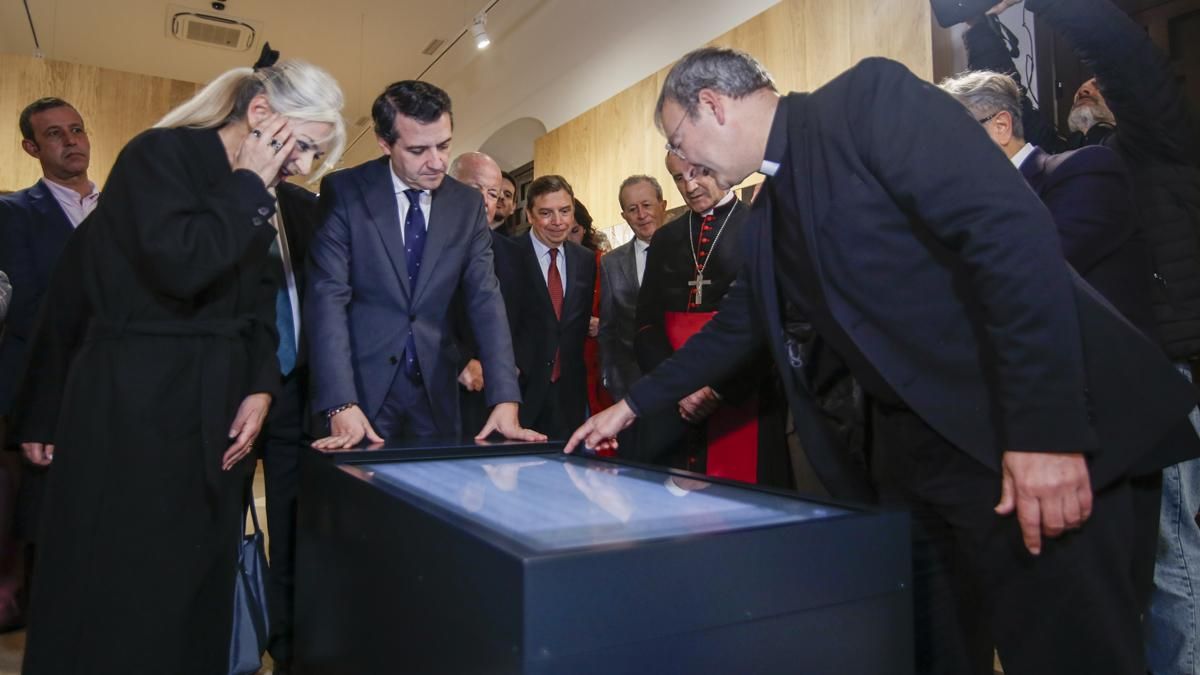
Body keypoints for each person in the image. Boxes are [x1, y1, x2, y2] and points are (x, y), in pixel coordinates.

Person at [567, 47, 1200, 675]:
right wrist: (631, 405)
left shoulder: (868, 102)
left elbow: (1009, 238)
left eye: (678, 140)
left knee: (1067, 652)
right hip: (916, 460)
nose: (683, 162)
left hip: (1024, 440)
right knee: (931, 648)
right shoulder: (770, 208)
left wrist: (1046, 432)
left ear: (712, 104)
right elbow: (741, 325)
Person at [6, 59, 346, 674]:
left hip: (213, 411)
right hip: (133, 405)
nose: (303, 166)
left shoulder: (259, 190)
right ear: (262, 115)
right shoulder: (159, 156)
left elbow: (260, 308)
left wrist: (261, 389)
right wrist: (247, 187)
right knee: (127, 582)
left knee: (197, 584)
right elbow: (180, 266)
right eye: (304, 147)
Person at [959, 2, 1200, 671]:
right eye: (1081, 87)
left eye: (1100, 87)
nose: (1088, 89)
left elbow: (1127, 62)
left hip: (1164, 370)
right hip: (1110, 381)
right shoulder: (1064, 166)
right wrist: (984, 22)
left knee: (1173, 559)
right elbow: (1007, 113)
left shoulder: (1156, 144)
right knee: (1131, 566)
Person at [306, 80, 542, 448]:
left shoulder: (465, 205)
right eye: (418, 150)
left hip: (437, 390)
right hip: (362, 392)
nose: (437, 162)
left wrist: (504, 396)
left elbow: (486, 299)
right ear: (385, 144)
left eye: (444, 145)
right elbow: (327, 297)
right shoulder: (347, 192)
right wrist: (340, 401)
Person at [939, 70, 1154, 337]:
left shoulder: (1086, 170)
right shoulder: (968, 208)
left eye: (948, 138)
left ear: (1001, 127)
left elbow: (1033, 272)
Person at [0, 96, 98, 633]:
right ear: (32, 148)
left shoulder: (122, 209)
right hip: (41, 395)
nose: (71, 141)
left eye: (77, 129)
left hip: (116, 392)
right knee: (43, 526)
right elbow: (23, 308)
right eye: (55, 134)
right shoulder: (12, 213)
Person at [632, 152, 789, 485]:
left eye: (698, 172)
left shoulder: (760, 227)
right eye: (678, 177)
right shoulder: (665, 239)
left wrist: (717, 389)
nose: (689, 186)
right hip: (675, 398)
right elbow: (646, 324)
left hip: (744, 391)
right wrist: (677, 385)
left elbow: (773, 324)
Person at [510, 176, 596, 438]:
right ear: (530, 215)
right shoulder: (506, 254)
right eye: (546, 213)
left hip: (569, 393)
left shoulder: (585, 260)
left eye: (565, 211)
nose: (558, 222)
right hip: (519, 390)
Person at [447, 151, 524, 438]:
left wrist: (503, 369)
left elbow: (519, 317)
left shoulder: (512, 254)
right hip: (437, 386)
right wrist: (460, 360)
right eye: (473, 188)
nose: (484, 200)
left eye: (492, 193)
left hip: (492, 395)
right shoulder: (420, 243)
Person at [598, 175, 667, 403]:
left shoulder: (689, 251)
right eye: (632, 209)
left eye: (647, 205)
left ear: (662, 205)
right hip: (632, 388)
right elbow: (608, 329)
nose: (641, 214)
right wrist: (611, 379)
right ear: (624, 216)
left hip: (684, 379)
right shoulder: (611, 263)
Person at [568, 198, 612, 417]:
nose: (568, 238)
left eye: (574, 230)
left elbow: (627, 312)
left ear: (584, 229)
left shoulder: (603, 263)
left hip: (599, 364)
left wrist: (602, 324)